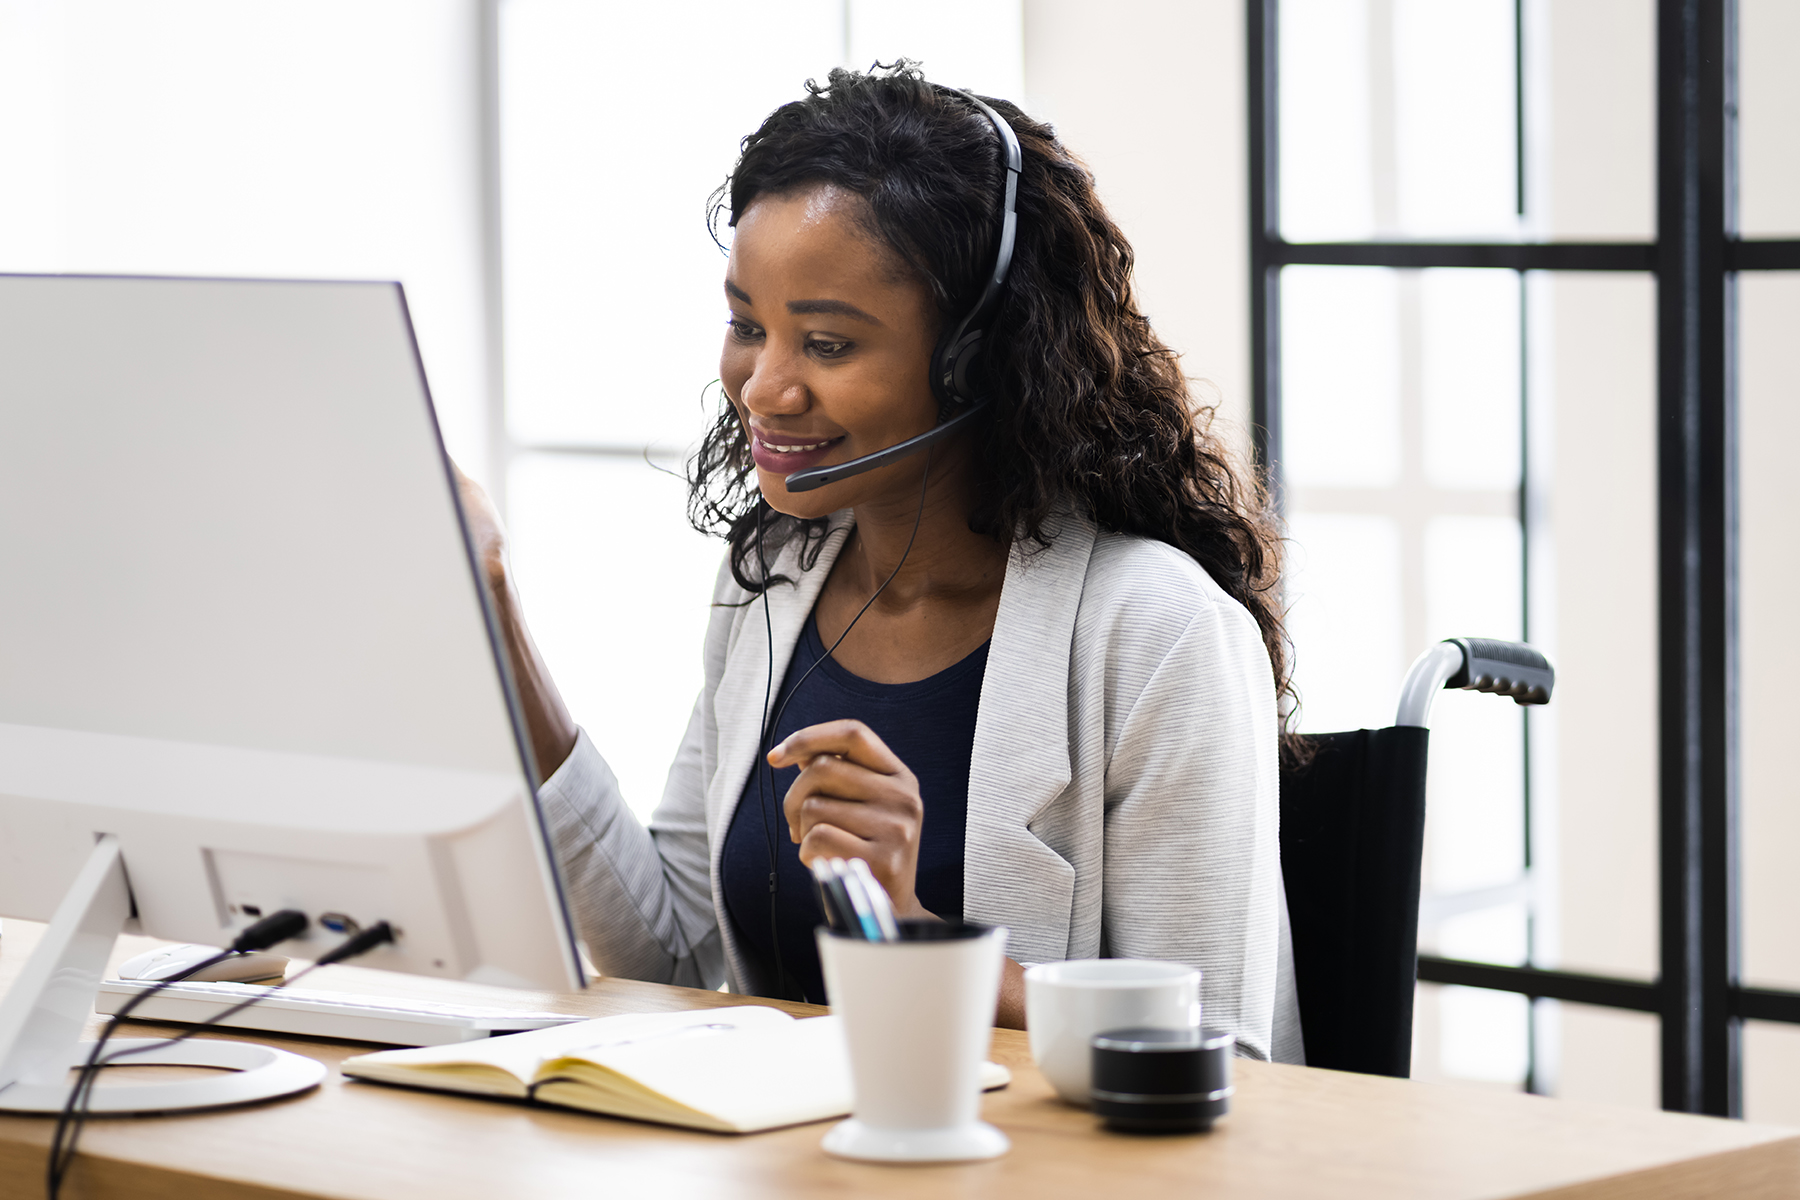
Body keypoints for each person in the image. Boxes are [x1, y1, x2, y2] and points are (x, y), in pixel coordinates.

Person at [460, 62, 1302, 1062]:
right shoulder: (771, 583)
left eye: (824, 343)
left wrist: (913, 933)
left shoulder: (1158, 630)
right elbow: (671, 959)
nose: (764, 388)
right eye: (745, 326)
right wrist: (495, 611)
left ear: (976, 360)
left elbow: (1222, 1057)